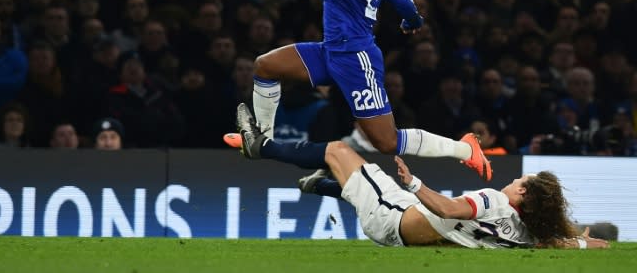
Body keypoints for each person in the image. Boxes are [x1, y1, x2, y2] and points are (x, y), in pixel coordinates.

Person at [224, 0, 492, 180]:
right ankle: (261, 142)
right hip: (331, 51)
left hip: (356, 58)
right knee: (266, 65)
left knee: (387, 141)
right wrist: (412, 19)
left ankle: (465, 150)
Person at [234, 104, 609, 249]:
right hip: (410, 224)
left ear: (523, 196)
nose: (514, 181)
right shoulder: (530, 237)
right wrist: (598, 246)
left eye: (521, 184)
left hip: (391, 218)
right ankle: (324, 185)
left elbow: (447, 208)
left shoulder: (494, 201)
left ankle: (259, 147)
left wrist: (413, 182)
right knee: (365, 175)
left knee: (338, 150)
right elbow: (567, 245)